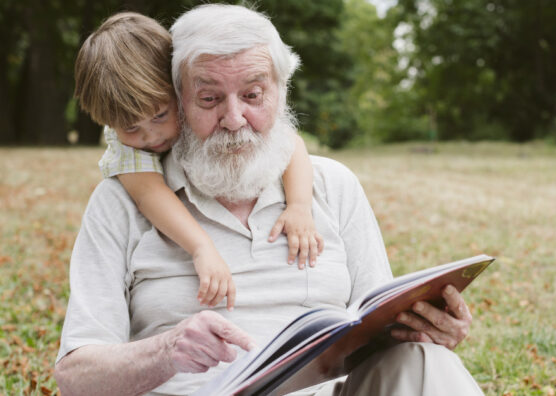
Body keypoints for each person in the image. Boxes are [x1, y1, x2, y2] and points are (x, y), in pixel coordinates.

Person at [54, 4, 484, 395]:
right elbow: (75, 379)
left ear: (281, 93)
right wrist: (166, 351)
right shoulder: (122, 199)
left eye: (254, 95)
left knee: (426, 360)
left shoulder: (331, 185)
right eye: (209, 98)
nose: (235, 118)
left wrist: (426, 328)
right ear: (178, 96)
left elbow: (378, 330)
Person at [74, 12, 323, 310]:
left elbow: (290, 143)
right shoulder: (126, 150)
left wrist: (298, 205)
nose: (151, 137)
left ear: (176, 89)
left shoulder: (192, 102)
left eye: (160, 116)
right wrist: (201, 247)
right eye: (130, 128)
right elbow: (150, 195)